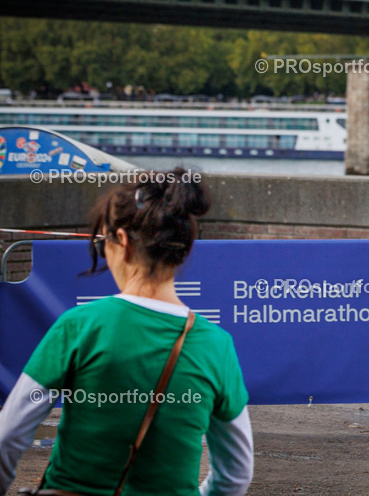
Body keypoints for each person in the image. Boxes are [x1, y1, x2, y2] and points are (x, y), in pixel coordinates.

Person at [0, 169, 254, 495]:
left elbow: (9, 435)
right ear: (184, 249)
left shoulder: (79, 326)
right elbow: (236, 475)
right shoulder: (217, 346)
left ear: (121, 241)